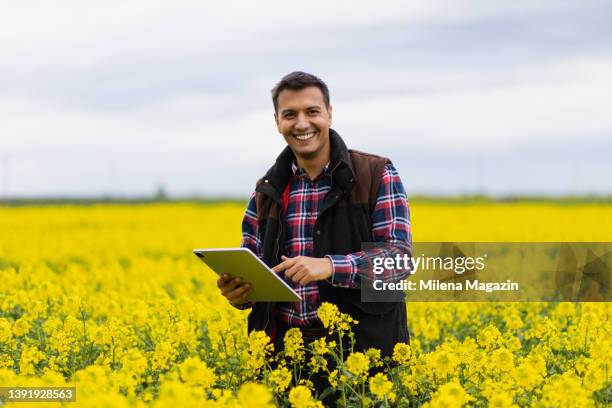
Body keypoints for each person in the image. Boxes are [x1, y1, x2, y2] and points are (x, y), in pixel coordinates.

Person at [217, 71, 411, 358]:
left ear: (329, 115)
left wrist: (330, 266)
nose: (302, 123)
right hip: (285, 360)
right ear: (277, 122)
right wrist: (240, 294)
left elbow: (399, 259)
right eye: (290, 114)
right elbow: (255, 271)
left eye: (312, 111)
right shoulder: (265, 193)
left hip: (361, 357)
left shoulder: (375, 174)